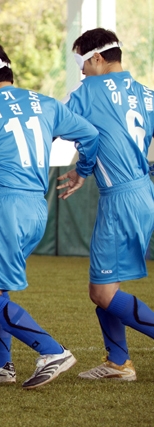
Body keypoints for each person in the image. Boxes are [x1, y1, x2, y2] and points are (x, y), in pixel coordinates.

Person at [0, 41, 99, 389]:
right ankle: (1, 365)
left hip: (4, 206)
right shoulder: (46, 103)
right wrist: (82, 170)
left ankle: (51, 351)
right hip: (35, 207)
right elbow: (90, 134)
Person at [58, 28, 154, 382]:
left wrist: (83, 170)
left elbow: (67, 130)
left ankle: (119, 362)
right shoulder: (147, 94)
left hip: (120, 200)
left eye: (82, 62)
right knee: (106, 287)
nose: (81, 71)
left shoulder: (88, 92)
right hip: (143, 193)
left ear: (97, 58)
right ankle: (118, 363)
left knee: (100, 291)